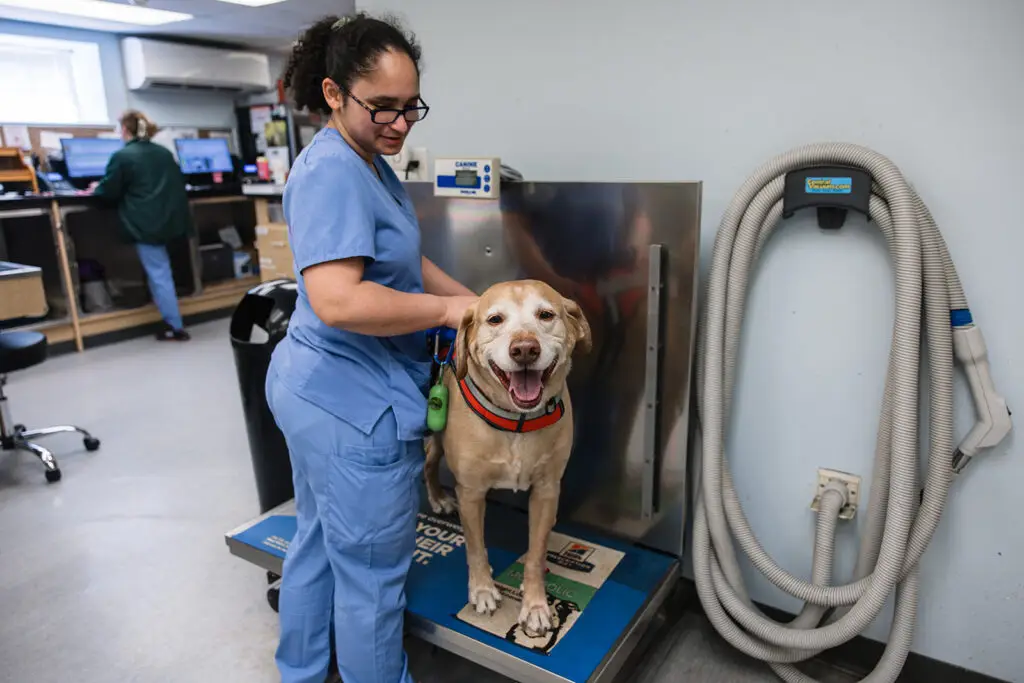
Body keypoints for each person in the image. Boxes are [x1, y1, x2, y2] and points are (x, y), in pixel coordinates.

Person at [265, 12, 477, 683]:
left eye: (409, 106)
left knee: (319, 543)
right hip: (355, 408)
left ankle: (300, 673)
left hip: (313, 387)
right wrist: (447, 310)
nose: (399, 122)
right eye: (381, 106)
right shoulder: (333, 171)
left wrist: (480, 308)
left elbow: (402, 264)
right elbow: (340, 299)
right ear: (334, 94)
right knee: (373, 581)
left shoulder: (364, 161)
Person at [90, 110, 193, 341]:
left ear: (125, 130)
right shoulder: (163, 153)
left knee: (159, 273)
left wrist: (96, 188)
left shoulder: (123, 157)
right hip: (169, 221)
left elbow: (108, 192)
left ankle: (174, 325)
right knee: (163, 271)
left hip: (145, 224)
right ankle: (171, 318)